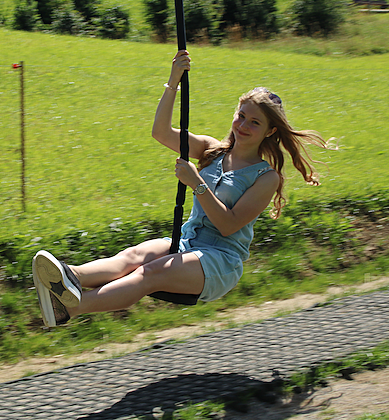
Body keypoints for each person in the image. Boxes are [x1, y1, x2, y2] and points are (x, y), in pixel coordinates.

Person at [32, 50, 327, 327]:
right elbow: (160, 132)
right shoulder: (212, 150)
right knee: (134, 256)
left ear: (270, 131)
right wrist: (173, 81)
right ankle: (68, 277)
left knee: (150, 273)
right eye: (241, 116)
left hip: (220, 261)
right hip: (190, 242)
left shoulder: (266, 178)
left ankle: (71, 308)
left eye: (254, 122)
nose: (243, 126)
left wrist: (196, 183)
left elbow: (228, 225)